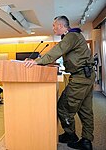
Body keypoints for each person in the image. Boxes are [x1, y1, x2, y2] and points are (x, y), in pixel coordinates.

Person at [24, 16, 95, 150]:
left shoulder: (71, 36)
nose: (53, 28)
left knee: (63, 107)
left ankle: (71, 135)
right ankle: (86, 141)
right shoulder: (74, 36)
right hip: (86, 76)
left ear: (61, 26)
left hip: (80, 78)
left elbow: (58, 50)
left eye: (54, 25)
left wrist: (37, 62)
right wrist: (41, 60)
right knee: (85, 110)